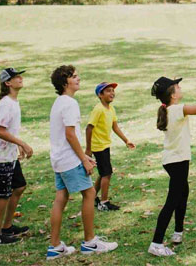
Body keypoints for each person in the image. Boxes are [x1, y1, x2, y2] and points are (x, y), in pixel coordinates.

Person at [47, 65, 118, 260]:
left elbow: (66, 135)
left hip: (59, 159)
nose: (78, 79)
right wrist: (83, 159)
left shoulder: (59, 102)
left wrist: (84, 156)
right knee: (90, 193)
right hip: (69, 160)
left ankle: (55, 246)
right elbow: (70, 134)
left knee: (61, 197)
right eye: (74, 77)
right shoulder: (70, 103)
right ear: (64, 82)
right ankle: (90, 242)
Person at [147, 73, 196, 257]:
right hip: (177, 161)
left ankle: (178, 233)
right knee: (172, 200)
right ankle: (156, 243)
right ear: (172, 95)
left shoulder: (171, 109)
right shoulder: (177, 109)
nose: (180, 88)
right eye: (177, 87)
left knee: (183, 193)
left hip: (175, 160)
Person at [0, 68, 33, 246]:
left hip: (9, 155)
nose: (20, 78)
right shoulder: (6, 103)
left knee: (19, 186)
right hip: (1, 158)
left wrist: (16, 146)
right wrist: (22, 143)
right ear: (8, 83)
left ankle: (7, 227)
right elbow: (0, 131)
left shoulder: (13, 102)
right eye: (16, 77)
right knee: (3, 195)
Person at [85, 81, 135, 212]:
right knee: (107, 173)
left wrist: (126, 140)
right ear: (100, 95)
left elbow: (115, 126)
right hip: (98, 147)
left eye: (113, 90)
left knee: (103, 173)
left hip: (105, 145)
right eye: (108, 91)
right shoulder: (98, 109)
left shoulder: (111, 109)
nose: (112, 93)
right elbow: (89, 128)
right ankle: (104, 202)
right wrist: (88, 149)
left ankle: (92, 197)